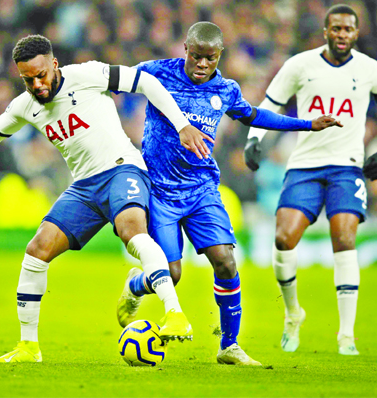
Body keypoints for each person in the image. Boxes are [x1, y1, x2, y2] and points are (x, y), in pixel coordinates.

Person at [0, 35, 212, 363]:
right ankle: (28, 347)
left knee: (131, 231)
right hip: (84, 187)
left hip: (122, 169)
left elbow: (146, 82)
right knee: (36, 250)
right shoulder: (26, 105)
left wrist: (181, 125)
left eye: (41, 75)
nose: (36, 84)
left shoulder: (87, 75)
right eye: (27, 79)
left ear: (54, 65)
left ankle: (174, 313)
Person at [116, 21, 341, 366]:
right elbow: (111, 82)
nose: (203, 64)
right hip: (160, 191)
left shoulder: (226, 89)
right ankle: (136, 286)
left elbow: (254, 115)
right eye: (197, 56)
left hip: (202, 189)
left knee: (225, 260)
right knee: (172, 274)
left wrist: (306, 124)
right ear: (186, 50)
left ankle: (229, 346)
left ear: (219, 55)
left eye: (210, 58)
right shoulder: (156, 73)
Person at [243, 4, 377, 355]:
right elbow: (270, 104)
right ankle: (293, 314)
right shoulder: (300, 65)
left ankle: (346, 335)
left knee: (344, 237)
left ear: (356, 33)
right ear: (325, 31)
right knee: (284, 239)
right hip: (304, 164)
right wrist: (254, 140)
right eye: (336, 29)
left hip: (347, 166)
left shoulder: (371, 70)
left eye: (348, 29)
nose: (342, 35)